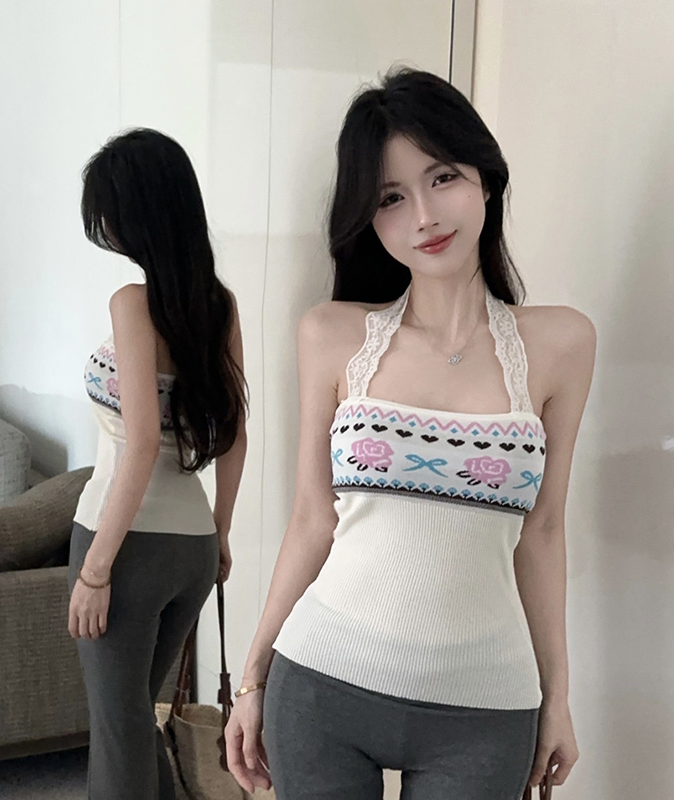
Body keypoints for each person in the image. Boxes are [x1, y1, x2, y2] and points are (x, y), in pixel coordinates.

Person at [225, 68, 595, 800]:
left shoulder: (562, 343)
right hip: (321, 684)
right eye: (391, 197)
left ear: (485, 179)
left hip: (486, 709)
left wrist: (557, 698)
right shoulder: (331, 335)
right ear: (368, 218)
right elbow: (312, 520)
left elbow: (544, 531)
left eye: (443, 177)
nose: (424, 216)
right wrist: (253, 678)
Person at [67, 128, 248, 800]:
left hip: (123, 543)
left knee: (118, 731)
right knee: (136, 722)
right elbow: (235, 433)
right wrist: (221, 533)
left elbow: (140, 444)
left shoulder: (132, 303)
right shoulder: (218, 306)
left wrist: (95, 570)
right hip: (192, 546)